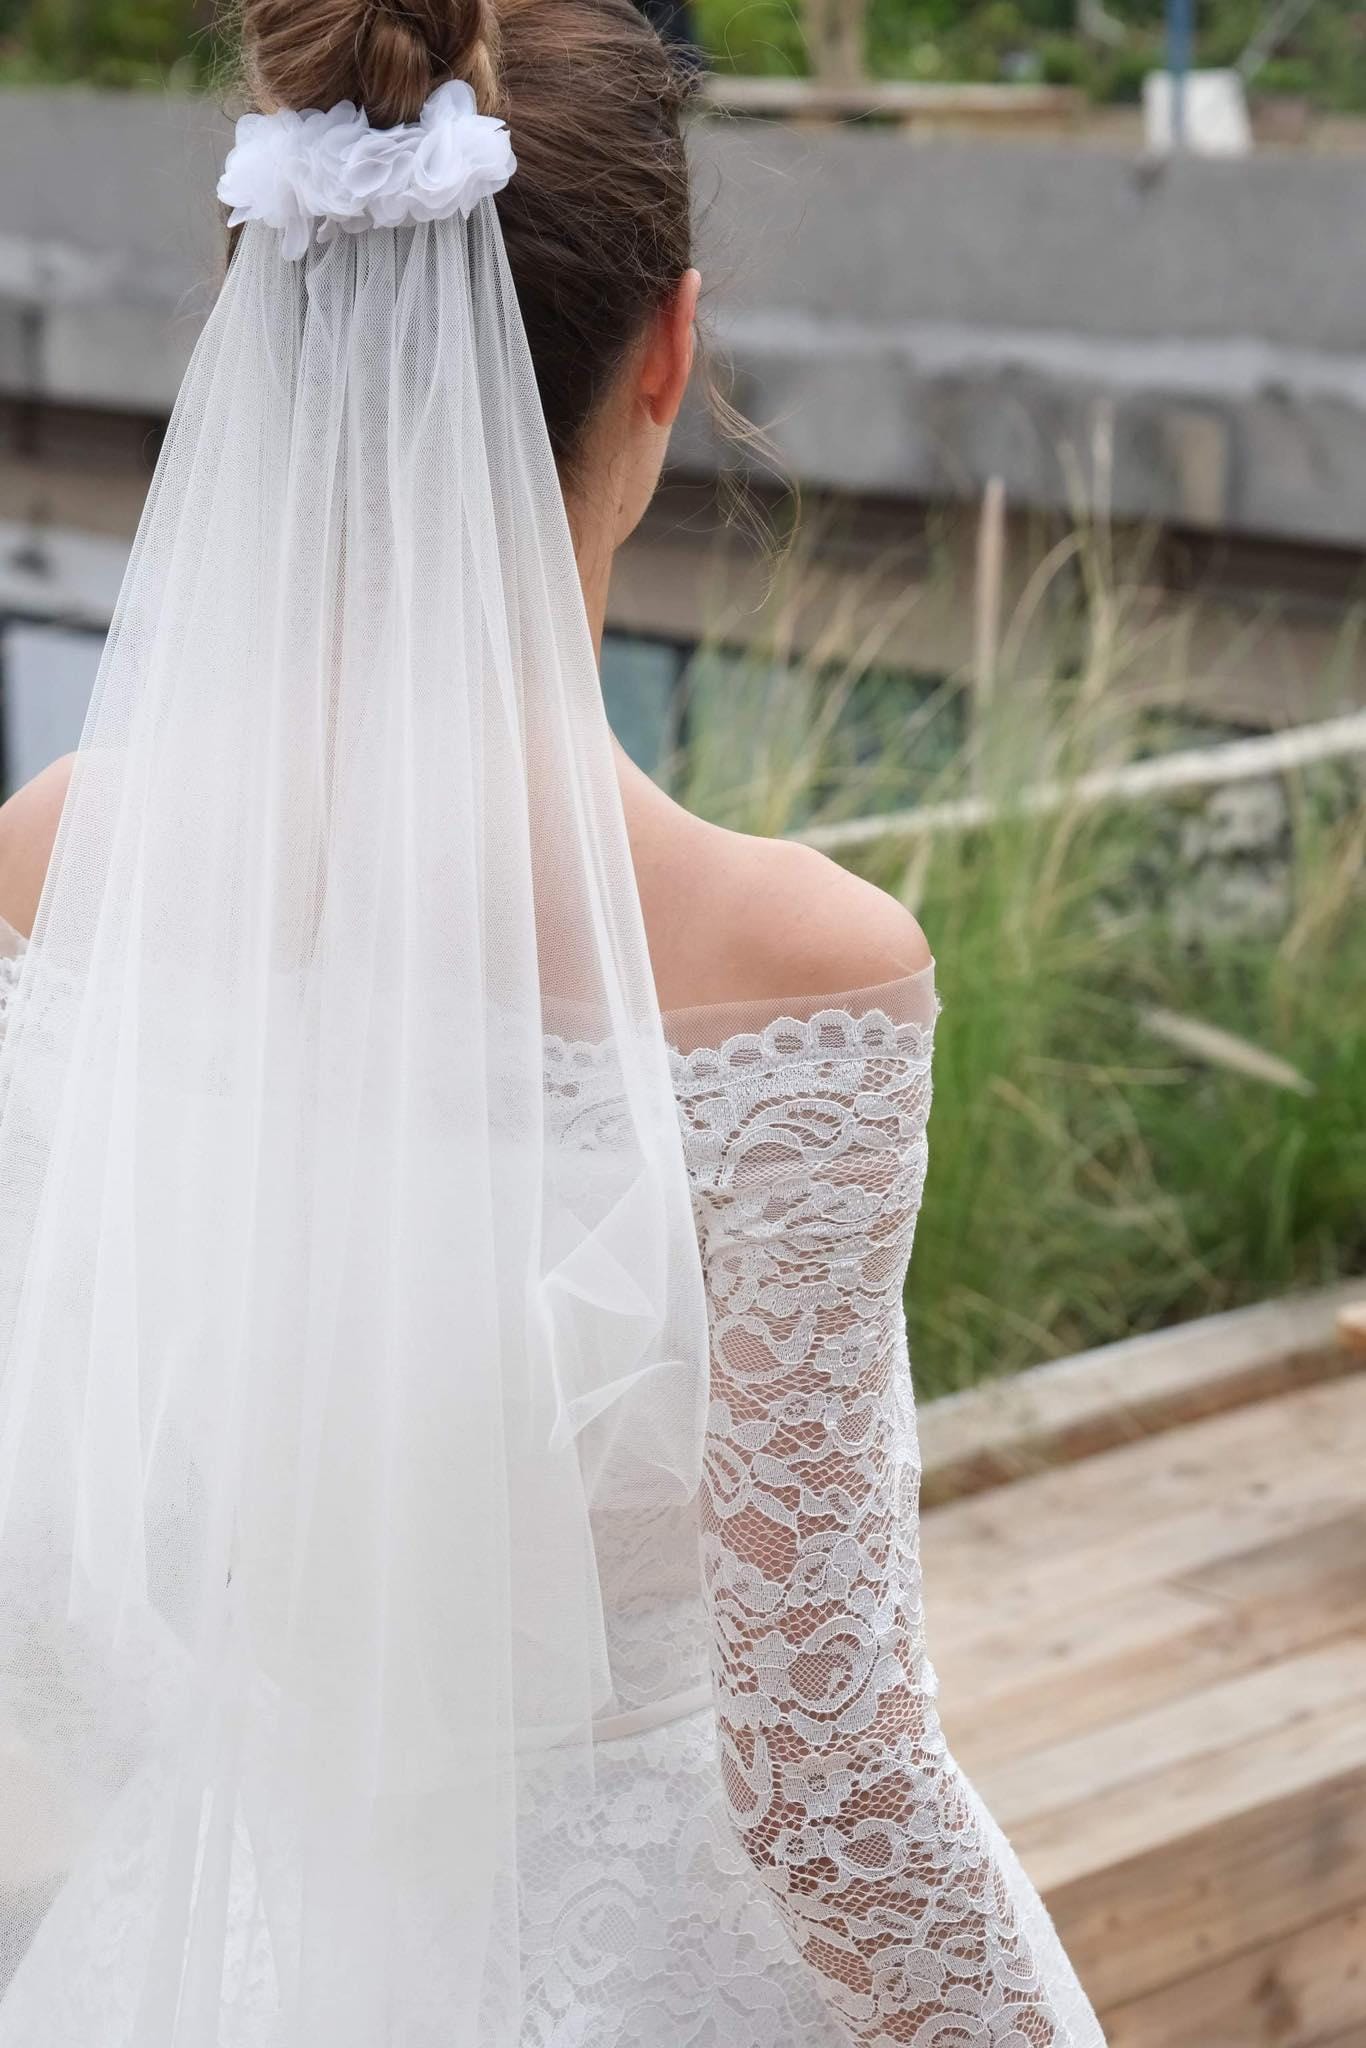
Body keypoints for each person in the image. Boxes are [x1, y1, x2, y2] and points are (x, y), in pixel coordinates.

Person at [0, 1, 1106, 2042]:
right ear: (668, 353)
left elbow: (68, 1572)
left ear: (268, 310)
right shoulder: (797, 961)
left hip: (218, 1941)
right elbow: (823, 1774)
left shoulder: (58, 858)